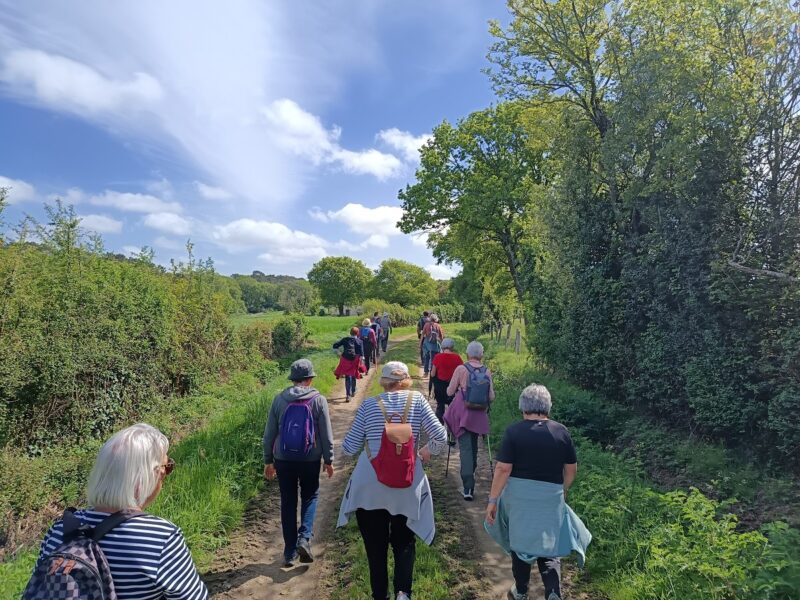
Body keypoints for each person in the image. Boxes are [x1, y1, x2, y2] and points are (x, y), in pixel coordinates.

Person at [31, 423, 208, 599]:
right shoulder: (161, 538)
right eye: (166, 468)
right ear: (148, 475)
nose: (165, 476)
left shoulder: (59, 531)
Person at [337, 362, 447, 600]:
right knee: (404, 542)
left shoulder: (369, 405)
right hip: (407, 485)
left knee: (375, 548)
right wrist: (426, 452)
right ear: (406, 380)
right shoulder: (417, 401)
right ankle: (403, 593)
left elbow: (350, 447)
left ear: (384, 381)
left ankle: (380, 594)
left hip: (370, 488)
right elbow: (440, 436)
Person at [485, 384, 591, 600]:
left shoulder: (514, 432)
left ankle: (521, 591)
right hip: (550, 497)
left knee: (521, 545)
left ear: (523, 407)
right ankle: (553, 591)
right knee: (549, 546)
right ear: (548, 407)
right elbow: (571, 469)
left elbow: (503, 469)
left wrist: (493, 500)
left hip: (520, 498)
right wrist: (563, 490)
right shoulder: (561, 431)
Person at [263, 359, 335, 566]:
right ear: (310, 379)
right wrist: (328, 459)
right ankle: (304, 538)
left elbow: (269, 434)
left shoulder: (279, 399)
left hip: (283, 459)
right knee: (310, 496)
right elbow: (326, 434)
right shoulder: (318, 400)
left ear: (292, 379)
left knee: (288, 501)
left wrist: (268, 460)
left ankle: (289, 552)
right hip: (310, 459)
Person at [444, 341, 495, 501]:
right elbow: (491, 397)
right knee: (473, 447)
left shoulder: (461, 369)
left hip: (462, 412)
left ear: (467, 354)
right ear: (481, 355)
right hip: (479, 413)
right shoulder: (487, 371)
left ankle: (468, 487)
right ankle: (470, 476)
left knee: (466, 448)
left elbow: (450, 391)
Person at [429, 338, 463, 423]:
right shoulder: (457, 358)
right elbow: (462, 373)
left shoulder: (438, 357)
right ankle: (451, 426)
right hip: (453, 387)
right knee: (452, 407)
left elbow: (432, 374)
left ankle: (440, 425)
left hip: (440, 387)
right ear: (452, 347)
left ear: (442, 346)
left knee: (440, 407)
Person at [333, 326, 366, 402]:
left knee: (348, 376)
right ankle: (353, 391)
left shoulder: (345, 339)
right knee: (353, 374)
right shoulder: (359, 341)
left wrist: (338, 352)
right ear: (358, 333)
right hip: (355, 360)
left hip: (345, 359)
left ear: (350, 333)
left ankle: (348, 395)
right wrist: (361, 362)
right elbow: (362, 354)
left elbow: (335, 345)